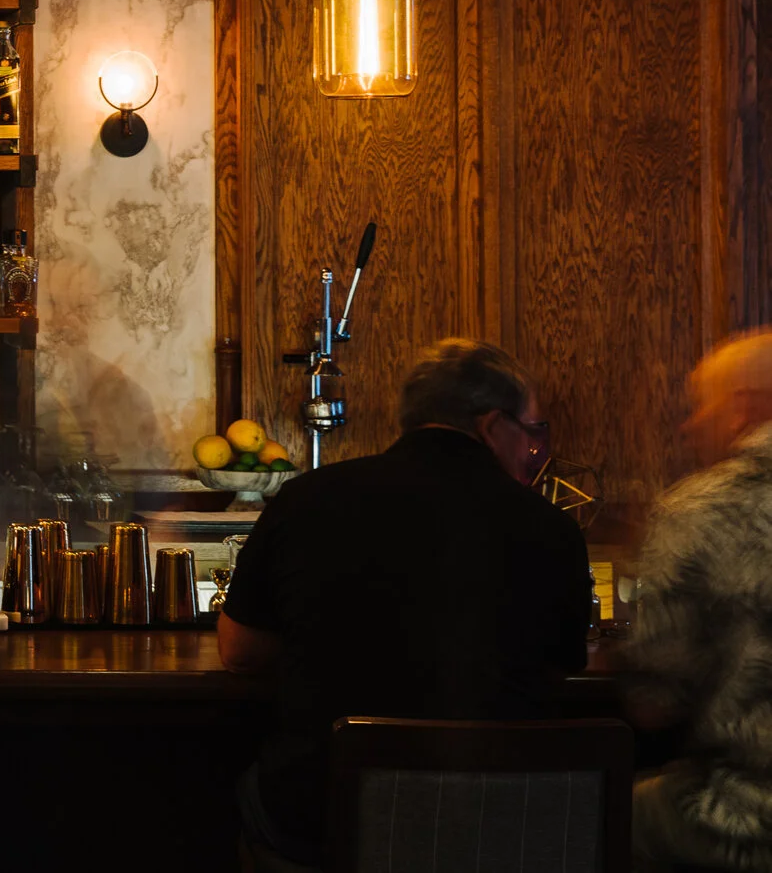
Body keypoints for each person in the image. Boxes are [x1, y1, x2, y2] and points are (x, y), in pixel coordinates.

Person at [219, 338, 591, 872]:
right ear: (492, 426)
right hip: (496, 831)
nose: (532, 449)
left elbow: (238, 651)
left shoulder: (307, 498)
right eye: (529, 431)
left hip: (327, 830)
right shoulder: (552, 528)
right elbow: (561, 664)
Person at [623, 332, 772, 871]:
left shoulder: (700, 509)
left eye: (699, 405)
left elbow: (654, 703)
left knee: (593, 813)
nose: (688, 425)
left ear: (742, 409)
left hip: (745, 819)